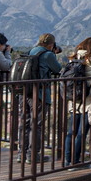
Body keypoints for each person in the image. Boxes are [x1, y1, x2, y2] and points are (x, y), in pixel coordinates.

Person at [18, 33, 62, 164]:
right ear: (51, 44)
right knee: (36, 124)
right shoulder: (48, 54)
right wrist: (53, 54)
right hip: (40, 93)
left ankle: (21, 153)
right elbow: (58, 69)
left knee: (24, 123)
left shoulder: (31, 51)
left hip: (24, 92)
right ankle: (33, 155)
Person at [64, 37, 91, 164]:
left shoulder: (75, 57)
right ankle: (75, 161)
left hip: (74, 100)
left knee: (71, 132)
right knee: (82, 133)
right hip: (87, 101)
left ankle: (67, 161)